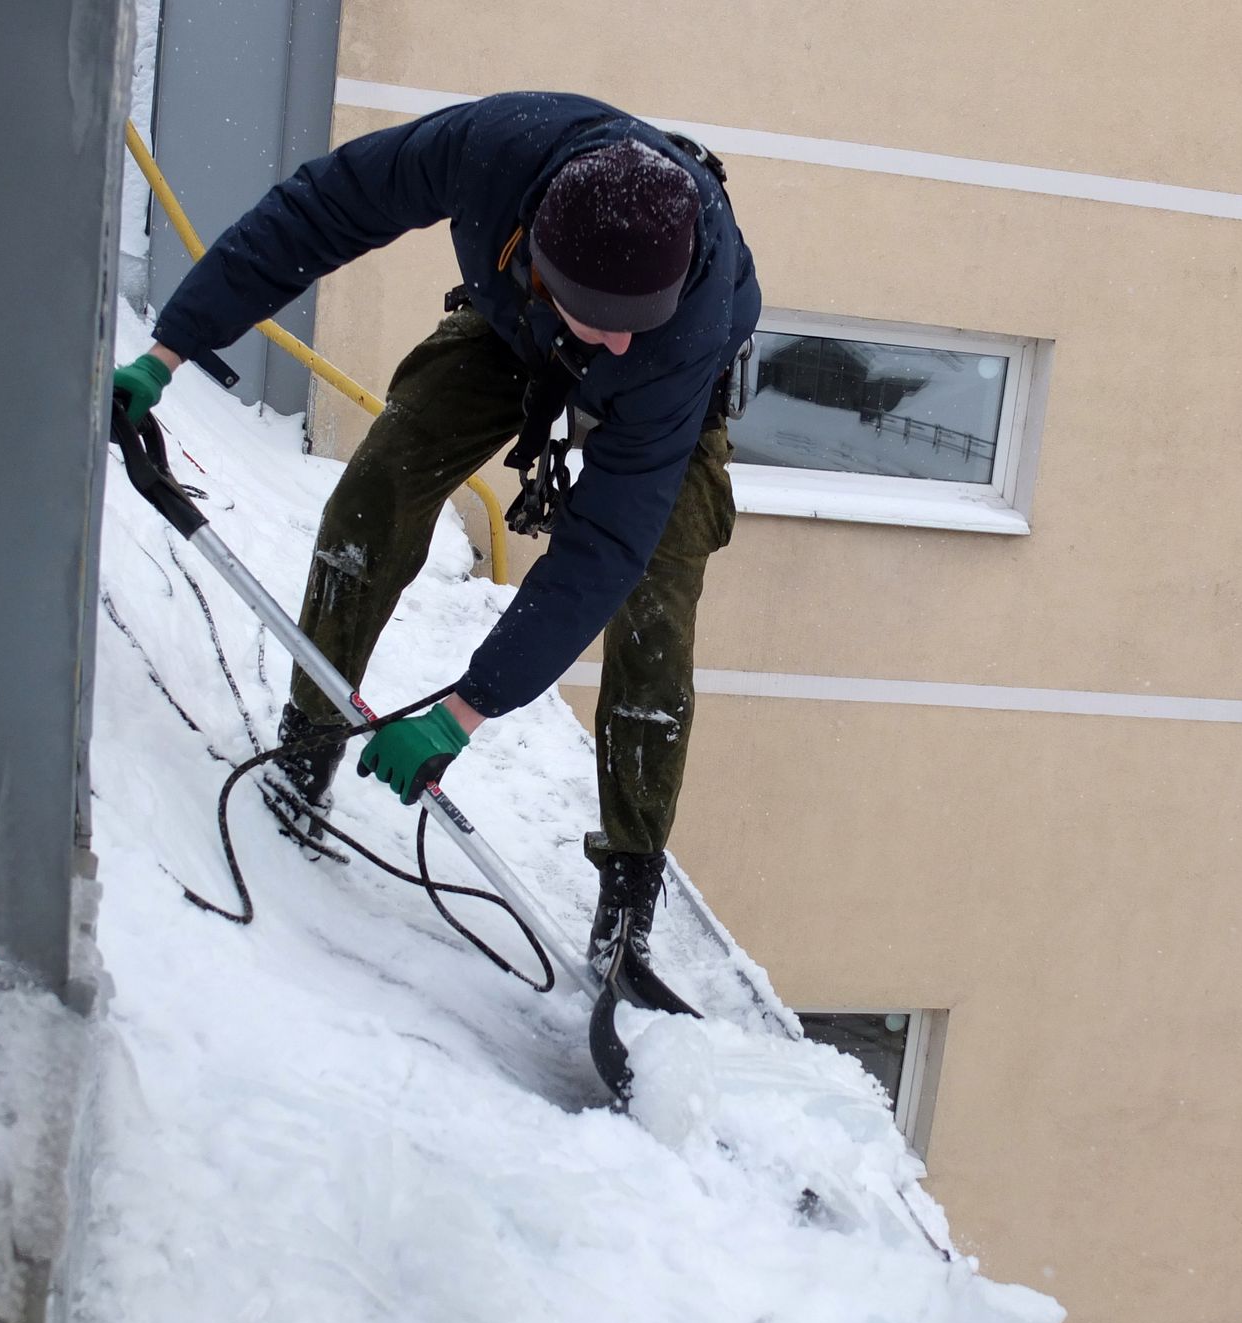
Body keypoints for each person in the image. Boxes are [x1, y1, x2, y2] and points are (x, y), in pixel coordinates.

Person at [113, 91, 760, 986]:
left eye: (633, 320)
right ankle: (310, 738)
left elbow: (602, 545)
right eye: (604, 318)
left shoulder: (676, 329)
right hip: (516, 329)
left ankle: (628, 892)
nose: (615, 342)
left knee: (653, 606)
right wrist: (169, 349)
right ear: (536, 252)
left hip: (669, 402)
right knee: (377, 491)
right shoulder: (490, 151)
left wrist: (466, 711)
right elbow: (319, 212)